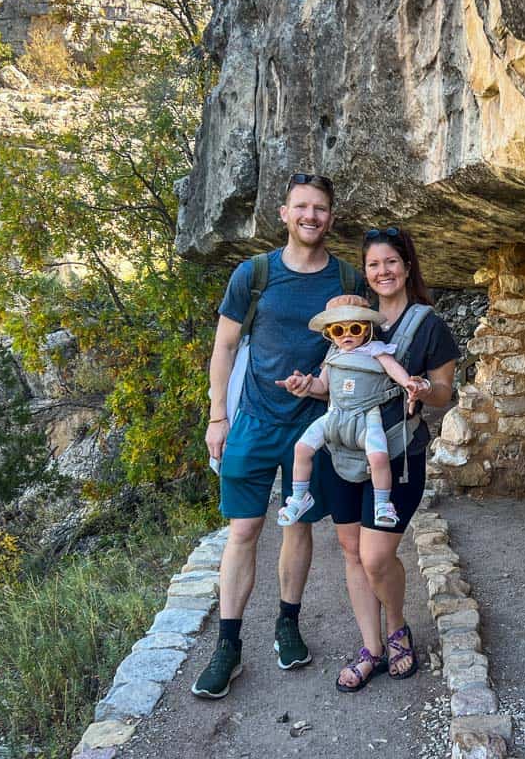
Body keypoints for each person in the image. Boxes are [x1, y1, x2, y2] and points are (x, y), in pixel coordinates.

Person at [191, 173, 364, 699]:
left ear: (331, 217)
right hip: (255, 423)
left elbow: (353, 353)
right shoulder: (255, 274)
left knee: (297, 527)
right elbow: (224, 347)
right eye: (302, 207)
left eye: (321, 208)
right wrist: (217, 417)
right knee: (243, 531)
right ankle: (228, 646)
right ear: (285, 214)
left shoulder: (347, 280)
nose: (311, 216)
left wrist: (322, 386)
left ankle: (287, 624)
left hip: (313, 428)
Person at [279, 226, 458, 692]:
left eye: (391, 262)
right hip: (342, 453)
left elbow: (444, 393)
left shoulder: (427, 325)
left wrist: (421, 387)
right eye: (374, 264)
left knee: (377, 557)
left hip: (395, 455)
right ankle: (371, 648)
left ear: (407, 267)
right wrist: (307, 385)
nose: (383, 271)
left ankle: (397, 627)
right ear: (367, 271)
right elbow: (329, 381)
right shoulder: (352, 317)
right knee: (350, 553)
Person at [277, 294, 425, 529]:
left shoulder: (375, 349)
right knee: (302, 448)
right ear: (330, 333)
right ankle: (299, 496)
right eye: (338, 330)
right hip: (335, 415)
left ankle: (382, 503)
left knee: (378, 456)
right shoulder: (333, 355)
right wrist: (300, 383)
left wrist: (409, 384)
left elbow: (394, 369)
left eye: (354, 328)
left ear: (366, 329)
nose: (346, 335)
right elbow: (322, 386)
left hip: (367, 416)